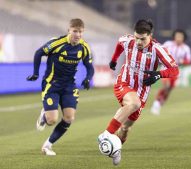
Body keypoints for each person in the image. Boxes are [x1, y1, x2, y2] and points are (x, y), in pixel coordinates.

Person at [97, 19, 179, 165]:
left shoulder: (157, 49)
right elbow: (119, 44)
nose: (139, 42)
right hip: (124, 83)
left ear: (150, 36)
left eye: (143, 39)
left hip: (141, 91)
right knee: (134, 103)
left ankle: (115, 149)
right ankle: (106, 135)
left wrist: (158, 74)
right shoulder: (128, 40)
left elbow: (174, 69)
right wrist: (114, 60)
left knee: (126, 127)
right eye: (137, 38)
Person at [27, 18, 94, 155]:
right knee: (52, 120)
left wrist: (88, 78)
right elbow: (39, 53)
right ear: (69, 30)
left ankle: (47, 145)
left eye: (80, 32)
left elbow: (89, 66)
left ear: (83, 32)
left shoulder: (84, 47)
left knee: (69, 118)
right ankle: (44, 115)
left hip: (69, 86)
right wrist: (35, 73)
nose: (78, 34)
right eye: (75, 31)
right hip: (52, 84)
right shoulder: (57, 43)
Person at [150, 29, 191, 115]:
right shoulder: (168, 44)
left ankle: (160, 103)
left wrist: (182, 62)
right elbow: (159, 52)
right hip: (165, 68)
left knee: (169, 90)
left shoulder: (186, 48)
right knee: (166, 85)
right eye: (177, 36)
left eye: (180, 36)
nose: (179, 38)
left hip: (175, 72)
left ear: (183, 38)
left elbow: (189, 61)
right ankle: (156, 104)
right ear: (174, 36)